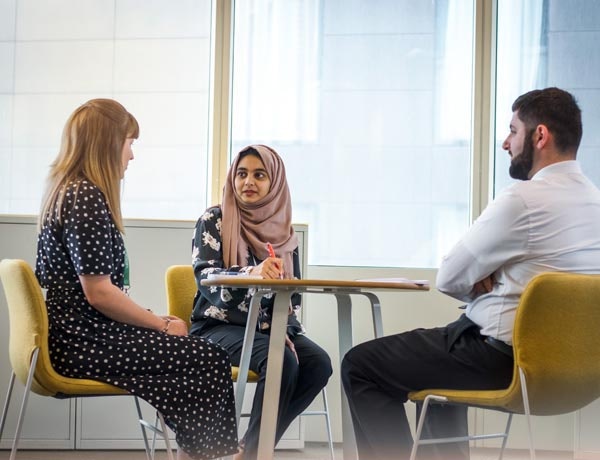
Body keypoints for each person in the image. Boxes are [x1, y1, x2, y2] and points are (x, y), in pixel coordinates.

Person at [341, 87, 600, 460]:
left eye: (513, 130)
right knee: (436, 379)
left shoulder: (523, 201)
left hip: (503, 361)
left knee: (361, 365)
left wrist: (484, 283)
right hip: (579, 370)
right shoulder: (593, 202)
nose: (505, 143)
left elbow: (448, 277)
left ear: (540, 136)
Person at [35, 98, 238, 460]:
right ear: (108, 143)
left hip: (81, 334)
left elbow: (97, 294)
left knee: (200, 356)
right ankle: (204, 455)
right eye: (130, 143)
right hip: (82, 342)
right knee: (209, 359)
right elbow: (99, 294)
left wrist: (152, 322)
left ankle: (198, 453)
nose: (132, 156)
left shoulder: (69, 190)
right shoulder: (85, 197)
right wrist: (158, 324)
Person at [190, 144, 332, 460]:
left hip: (270, 329)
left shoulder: (284, 233)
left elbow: (291, 296)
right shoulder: (214, 219)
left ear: (275, 182)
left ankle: (251, 448)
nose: (248, 182)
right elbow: (207, 278)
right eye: (241, 174)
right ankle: (256, 453)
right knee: (281, 359)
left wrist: (283, 328)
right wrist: (252, 273)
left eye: (259, 175)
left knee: (319, 364)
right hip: (217, 327)